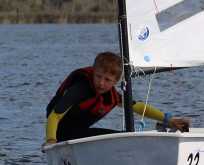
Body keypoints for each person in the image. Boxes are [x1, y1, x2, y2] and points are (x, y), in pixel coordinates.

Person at [43, 50, 190, 146]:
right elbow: (54, 115)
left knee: (124, 137)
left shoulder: (111, 96)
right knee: (120, 138)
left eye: (107, 79)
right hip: (60, 134)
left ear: (116, 80)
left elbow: (138, 107)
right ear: (93, 73)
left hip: (78, 133)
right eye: (98, 76)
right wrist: (51, 139)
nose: (101, 83)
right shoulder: (80, 88)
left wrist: (170, 120)